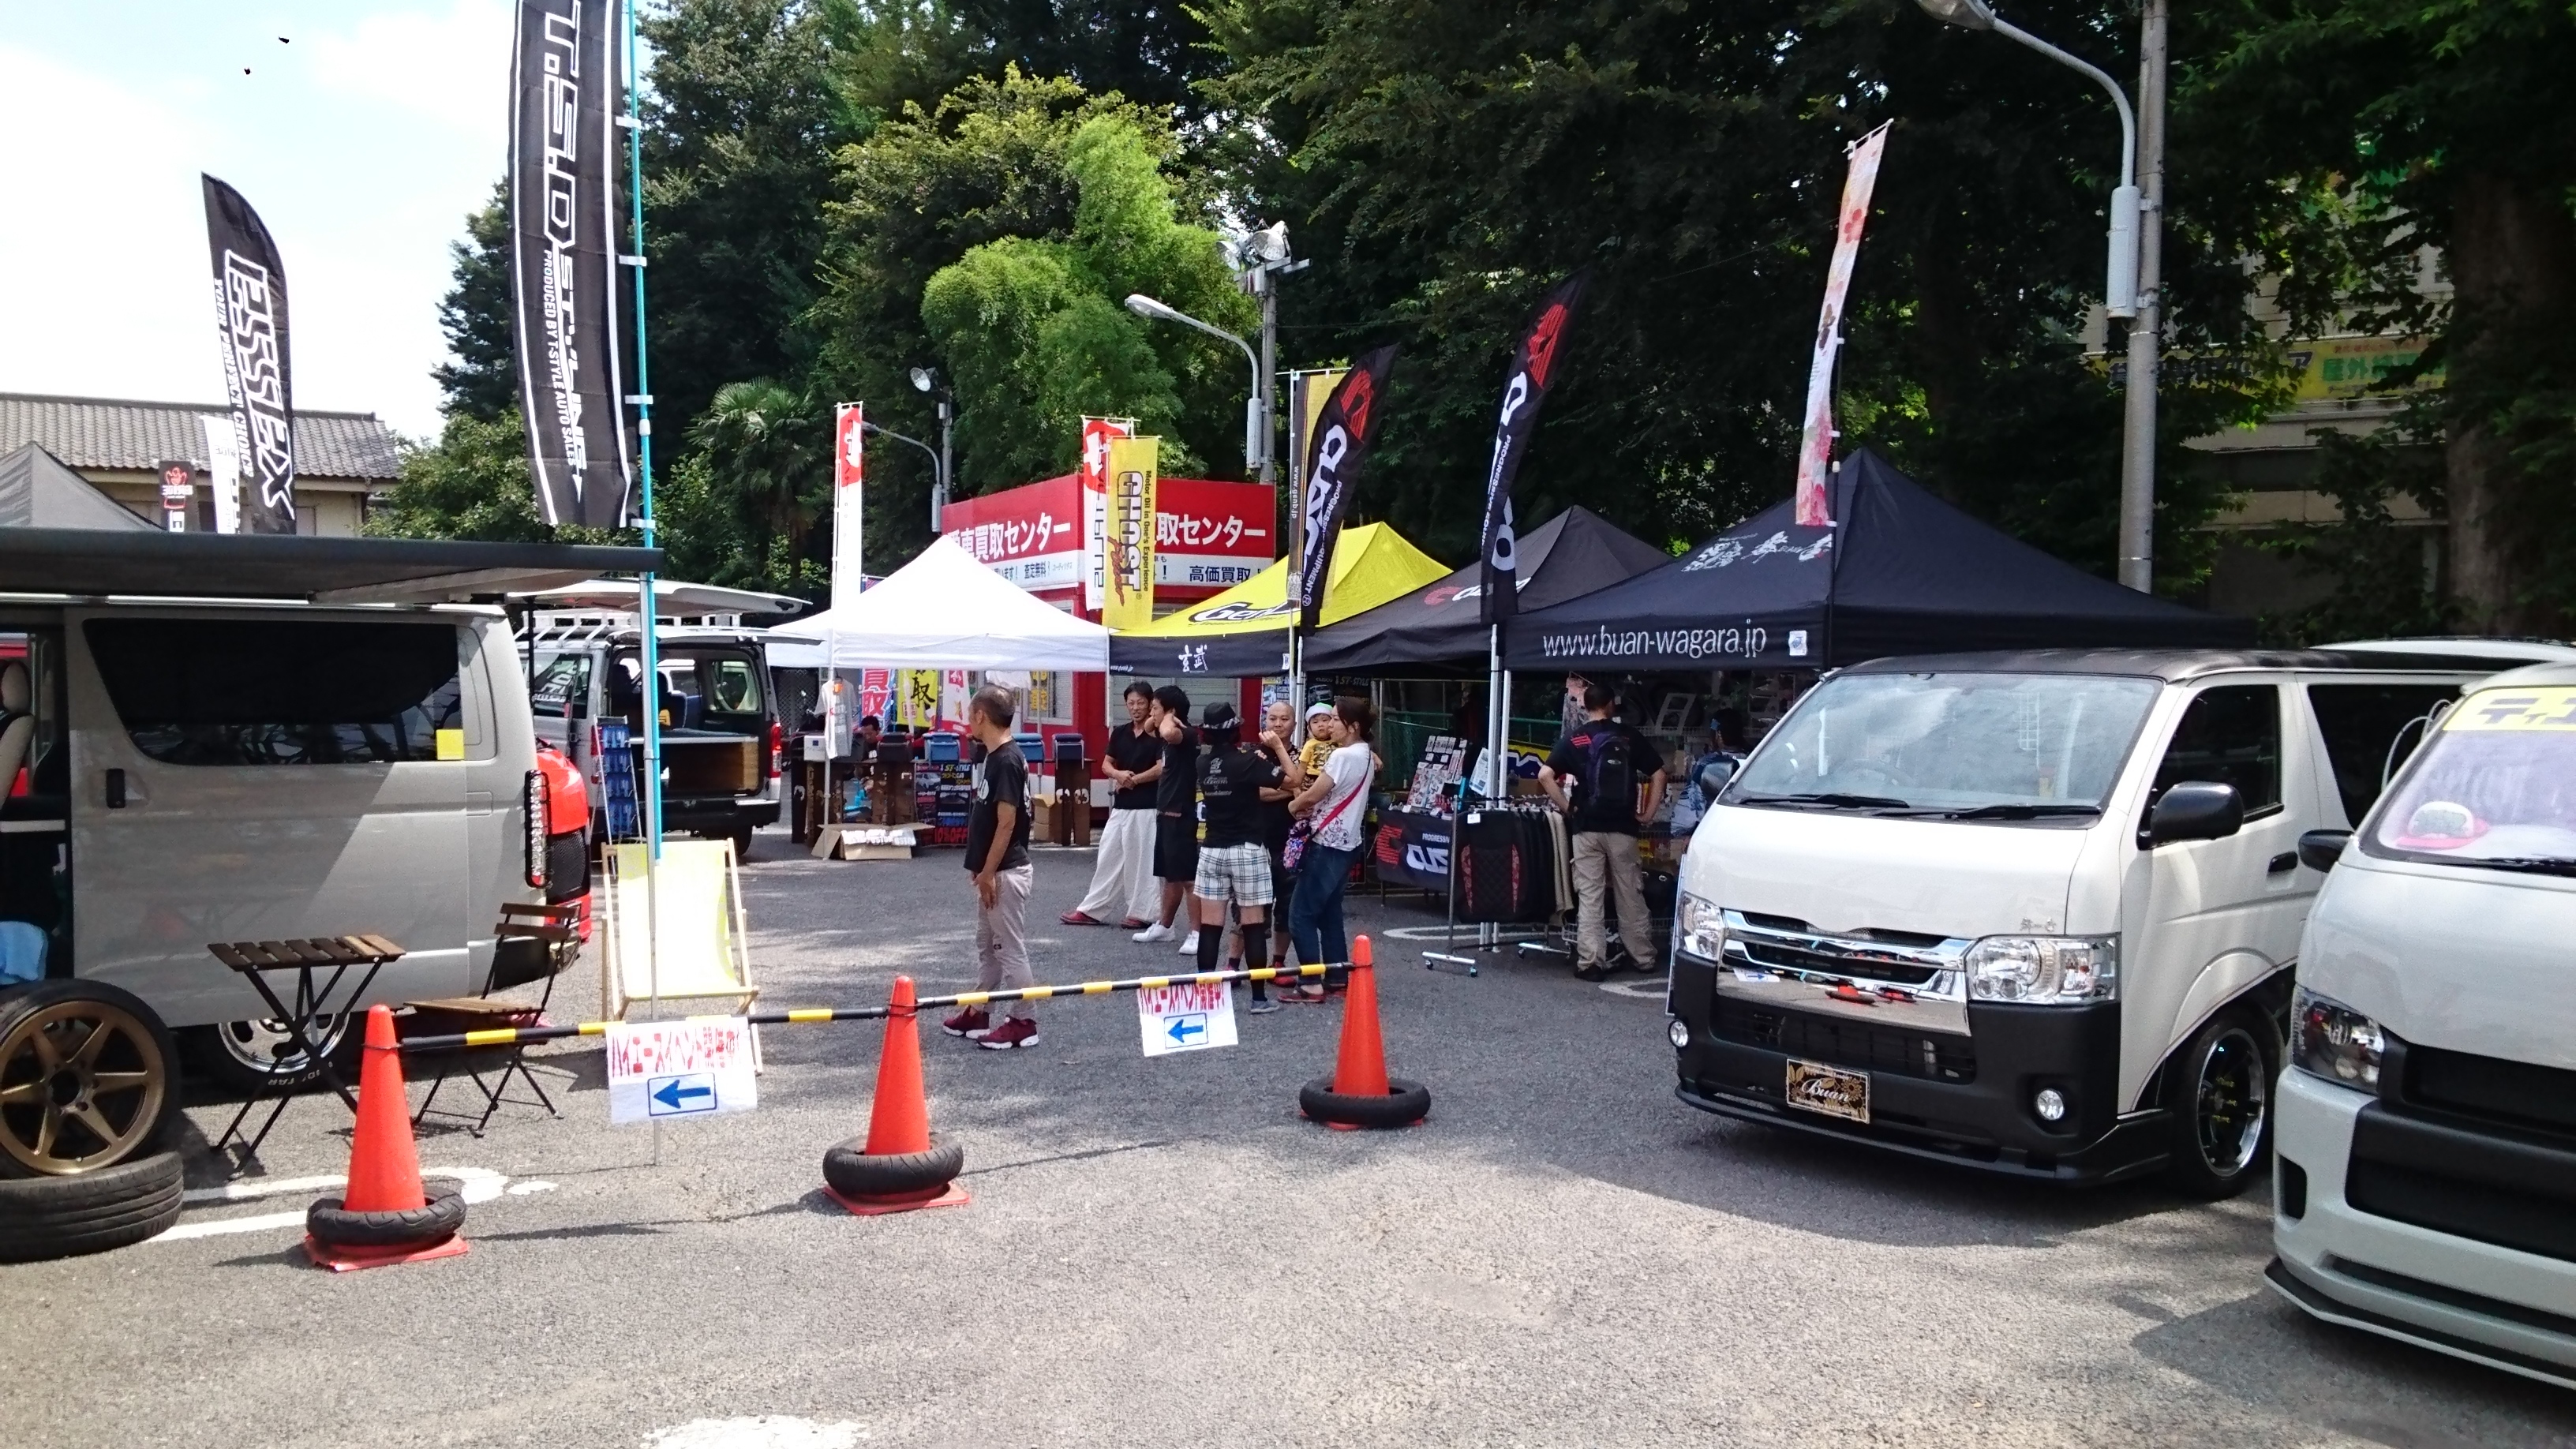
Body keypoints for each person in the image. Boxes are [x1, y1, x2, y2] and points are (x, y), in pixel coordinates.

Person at [1540, 682, 1668, 981]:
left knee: (1590, 895)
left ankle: (1591, 962)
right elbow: (1659, 774)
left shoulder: (1575, 739)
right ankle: (1643, 957)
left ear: (1585, 706)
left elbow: (1545, 775)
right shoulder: (1628, 736)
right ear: (1611, 704)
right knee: (1630, 893)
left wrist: (1568, 808)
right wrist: (1647, 814)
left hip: (1587, 827)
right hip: (1623, 827)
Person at [942, 687, 1039, 1049]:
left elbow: (1007, 823)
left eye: (970, 714)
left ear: (981, 715)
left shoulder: (1007, 760)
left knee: (1009, 948)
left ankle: (1024, 1020)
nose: (969, 721)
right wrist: (981, 867)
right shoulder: (996, 756)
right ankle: (979, 1009)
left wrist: (988, 871)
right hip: (994, 869)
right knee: (987, 945)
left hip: (1006, 871)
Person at [1189, 702, 1295, 1012]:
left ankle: (1205, 996)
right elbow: (1293, 779)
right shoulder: (1247, 761)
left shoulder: (1202, 763)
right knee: (1253, 923)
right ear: (1236, 730)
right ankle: (1258, 998)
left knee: (1211, 925)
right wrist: (1278, 747)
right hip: (1247, 848)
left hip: (1212, 848)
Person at [1286, 696, 1376, 1000]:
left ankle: (1311, 981)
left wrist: (1293, 805)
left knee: (1301, 913)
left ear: (1353, 726)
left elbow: (1315, 793)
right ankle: (1337, 976)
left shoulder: (1342, 756)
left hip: (1326, 841)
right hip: (1348, 842)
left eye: (1336, 719)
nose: (1329, 724)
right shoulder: (1366, 755)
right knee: (1329, 912)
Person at [1064, 682, 1162, 927]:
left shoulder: (1159, 734)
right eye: (1131, 703)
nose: (1135, 708)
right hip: (1122, 805)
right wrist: (1119, 775)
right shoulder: (1120, 732)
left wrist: (1134, 780)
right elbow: (1106, 764)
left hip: (1148, 805)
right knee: (1109, 855)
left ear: (1150, 704)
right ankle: (1093, 909)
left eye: (1141, 703)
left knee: (1142, 861)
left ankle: (1144, 913)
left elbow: (1162, 768)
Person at [1133, 685, 1202, 952]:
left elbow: (1167, 731)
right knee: (1170, 876)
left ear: (1171, 712)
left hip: (1181, 814)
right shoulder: (1165, 734)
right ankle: (1165, 925)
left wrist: (1169, 717)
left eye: (1155, 707)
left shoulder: (1185, 734)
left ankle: (1197, 933)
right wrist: (1160, 714)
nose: (1150, 713)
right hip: (1165, 813)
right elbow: (1150, 728)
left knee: (1188, 878)